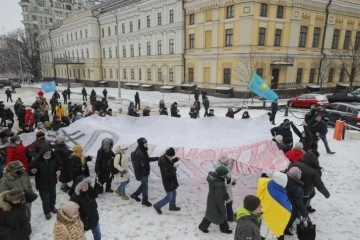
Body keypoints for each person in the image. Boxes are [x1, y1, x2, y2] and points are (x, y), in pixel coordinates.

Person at [28, 145, 62, 219]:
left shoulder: (54, 158)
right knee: (45, 199)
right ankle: (47, 212)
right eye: (46, 153)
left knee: (53, 196)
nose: (48, 154)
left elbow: (59, 165)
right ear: (42, 153)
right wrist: (32, 171)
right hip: (42, 184)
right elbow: (30, 170)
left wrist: (59, 170)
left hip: (52, 181)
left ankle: (52, 207)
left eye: (49, 153)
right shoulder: (36, 160)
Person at [198, 165, 232, 234]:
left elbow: (221, 192)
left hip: (211, 200)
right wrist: (222, 207)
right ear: (222, 175)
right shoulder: (219, 184)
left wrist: (226, 196)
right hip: (216, 203)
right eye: (225, 174)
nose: (226, 175)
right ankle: (224, 229)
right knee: (221, 215)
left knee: (209, 215)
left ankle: (202, 227)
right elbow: (218, 198)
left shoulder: (214, 179)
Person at [130, 137, 159, 207]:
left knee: (144, 185)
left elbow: (147, 159)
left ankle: (135, 195)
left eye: (146, 142)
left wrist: (157, 158)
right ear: (141, 144)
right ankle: (144, 201)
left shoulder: (143, 150)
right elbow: (136, 166)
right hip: (142, 173)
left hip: (145, 172)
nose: (147, 144)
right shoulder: (138, 153)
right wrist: (137, 176)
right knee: (145, 187)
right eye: (145, 143)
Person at [70, 176, 101, 240]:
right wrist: (84, 222)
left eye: (86, 184)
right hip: (83, 222)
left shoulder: (89, 189)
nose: (85, 186)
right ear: (79, 186)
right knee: (80, 237)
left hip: (94, 217)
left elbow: (95, 195)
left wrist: (97, 187)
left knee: (98, 235)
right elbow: (75, 214)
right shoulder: (75, 198)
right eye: (83, 185)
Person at [153, 148, 180, 214]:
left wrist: (176, 159)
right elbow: (167, 174)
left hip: (172, 180)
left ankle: (172, 206)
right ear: (168, 155)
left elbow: (169, 163)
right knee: (169, 197)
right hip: (168, 181)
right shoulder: (163, 162)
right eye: (171, 157)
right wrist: (174, 169)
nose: (171, 158)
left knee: (174, 193)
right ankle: (157, 206)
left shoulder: (166, 158)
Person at [283, 167, 308, 236]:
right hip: (290, 206)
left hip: (282, 201)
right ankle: (285, 229)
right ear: (297, 176)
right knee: (293, 215)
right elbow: (299, 202)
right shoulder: (298, 188)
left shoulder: (284, 178)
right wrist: (305, 212)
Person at [214, 156, 236, 222]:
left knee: (228, 204)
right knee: (227, 204)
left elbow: (229, 169)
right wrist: (232, 183)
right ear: (224, 162)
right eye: (228, 161)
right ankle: (227, 218)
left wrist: (232, 162)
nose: (228, 162)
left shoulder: (223, 167)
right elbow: (222, 183)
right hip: (223, 192)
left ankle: (229, 217)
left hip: (226, 191)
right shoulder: (220, 170)